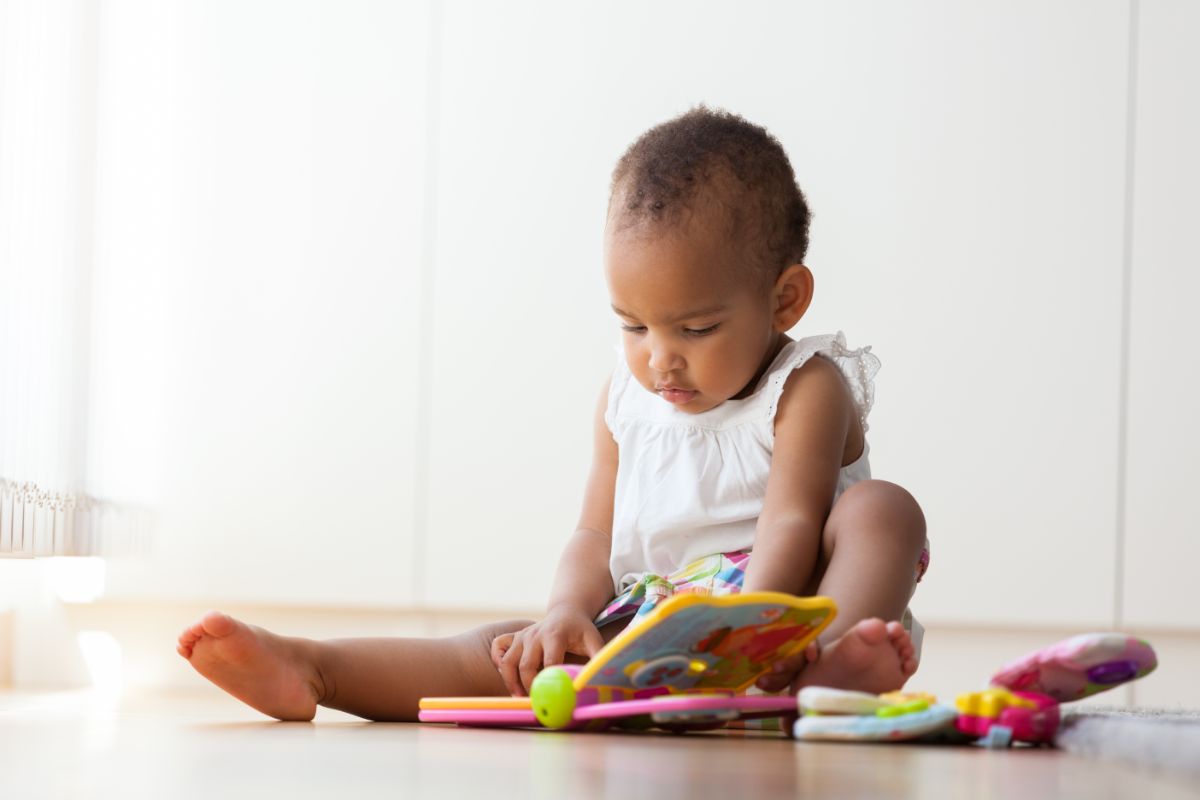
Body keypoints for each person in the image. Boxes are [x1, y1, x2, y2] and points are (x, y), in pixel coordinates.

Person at [177, 107, 929, 722]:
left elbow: (790, 523)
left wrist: (747, 637)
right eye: (635, 326)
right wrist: (566, 612)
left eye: (695, 330)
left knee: (882, 510)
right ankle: (316, 669)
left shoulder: (806, 387)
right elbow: (594, 534)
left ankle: (824, 674)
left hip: (781, 618)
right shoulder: (626, 400)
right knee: (503, 649)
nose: (660, 358)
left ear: (784, 299)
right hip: (657, 630)